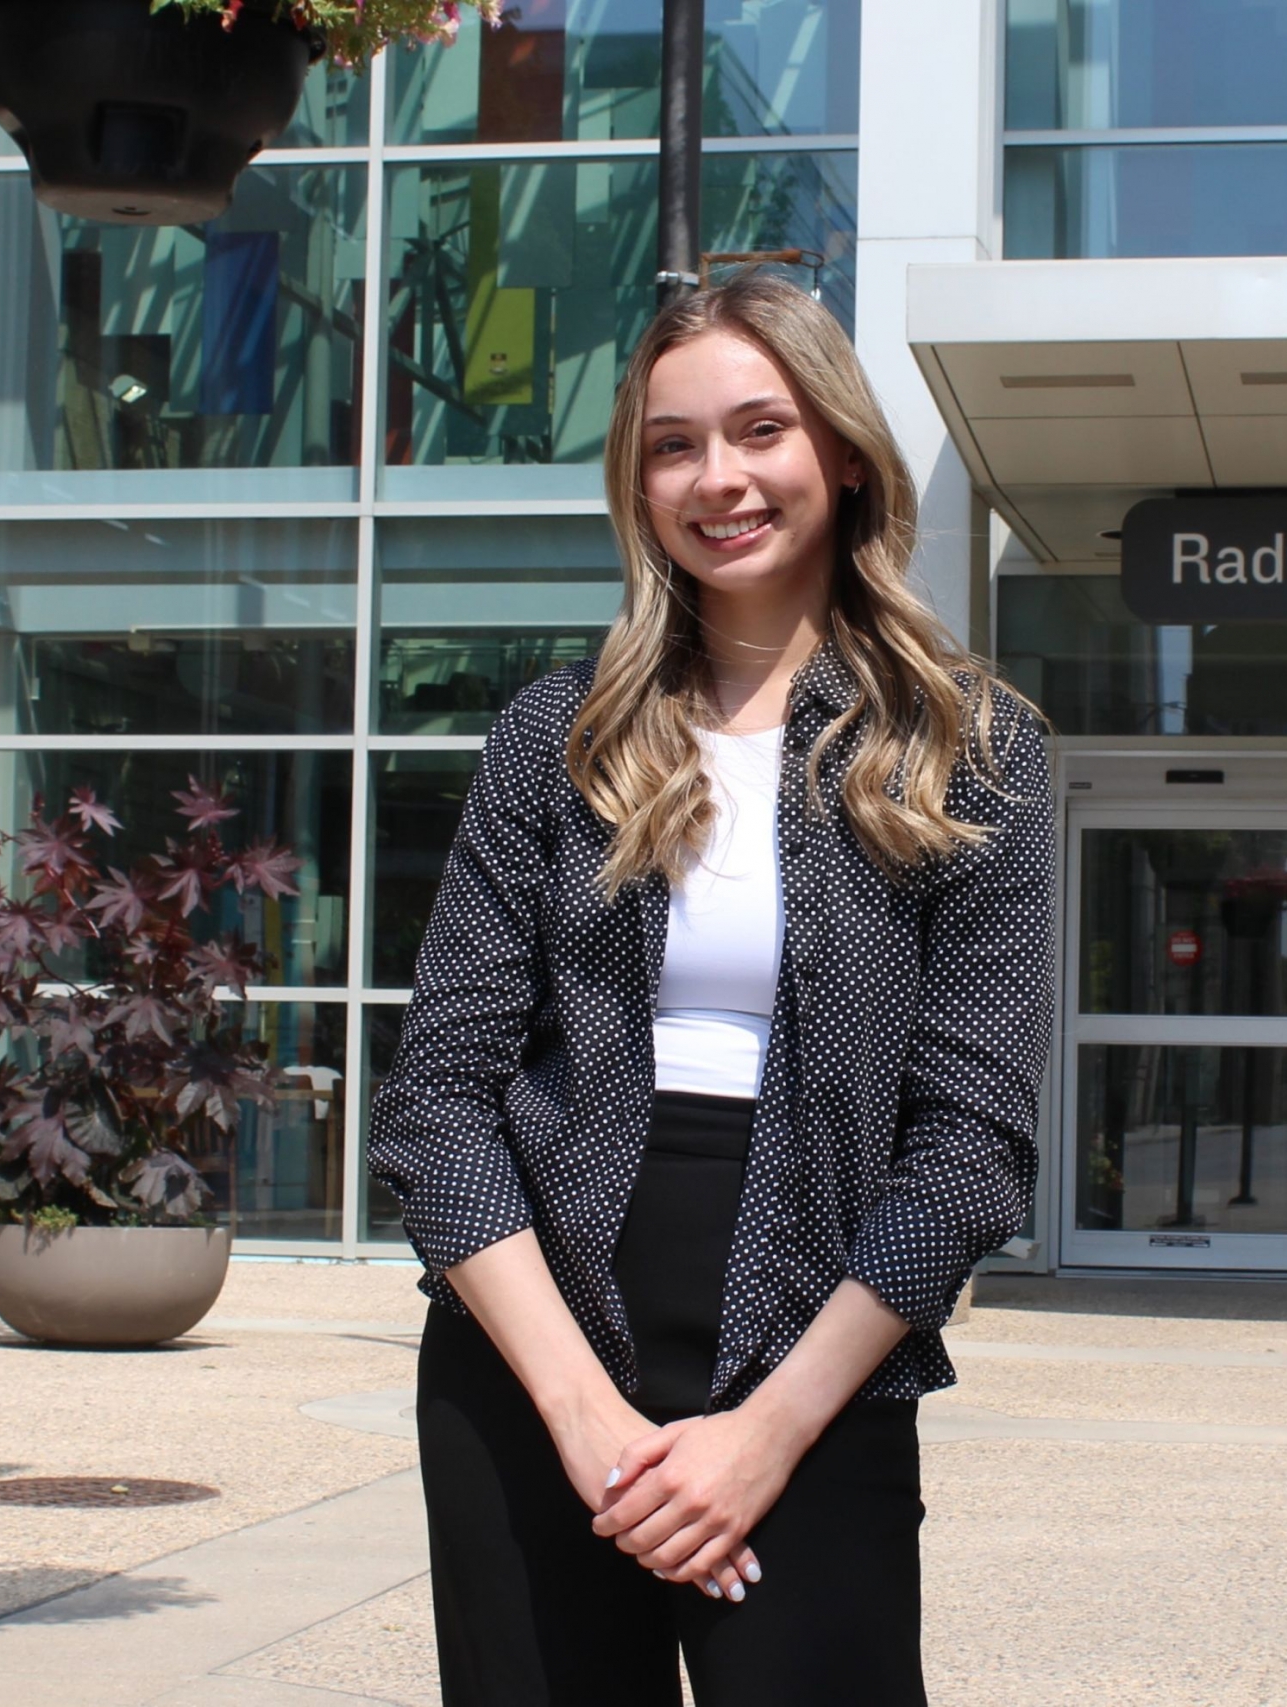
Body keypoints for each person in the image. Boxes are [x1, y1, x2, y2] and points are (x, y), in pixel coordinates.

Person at [369, 269, 1054, 1707]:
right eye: (674, 444)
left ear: (845, 455)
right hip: (530, 1355)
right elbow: (439, 1100)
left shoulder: (970, 748)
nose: (717, 477)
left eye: (760, 429)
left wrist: (766, 1434)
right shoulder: (554, 739)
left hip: (822, 1350)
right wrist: (582, 1418)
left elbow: (971, 1146)